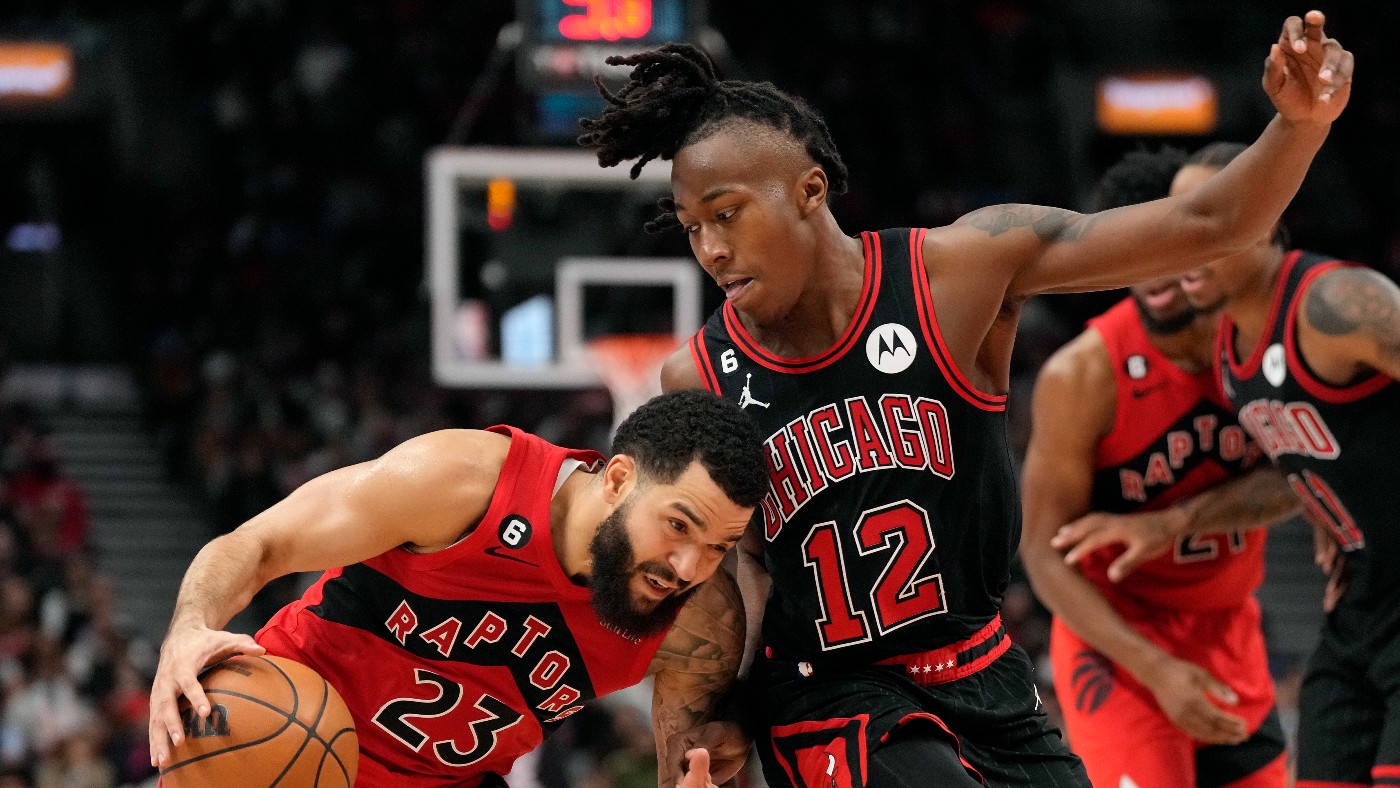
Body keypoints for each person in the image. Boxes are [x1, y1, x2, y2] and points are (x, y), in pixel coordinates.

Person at [578, 11, 1352, 787]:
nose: (711, 249)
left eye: (726, 214)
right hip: (825, 694)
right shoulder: (700, 375)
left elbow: (1209, 222)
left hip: (984, 677)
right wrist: (715, 719)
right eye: (692, 228)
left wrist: (1299, 126)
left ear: (809, 190)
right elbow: (737, 569)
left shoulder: (957, 276)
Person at [146, 389, 770, 788]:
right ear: (618, 481)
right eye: (678, 525)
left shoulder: (696, 623)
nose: (687, 566)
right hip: (277, 736)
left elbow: (685, 768)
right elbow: (257, 545)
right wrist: (189, 628)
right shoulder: (466, 484)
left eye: (718, 546)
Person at [1058, 139, 1400, 788]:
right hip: (1359, 609)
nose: (1190, 240)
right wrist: (1323, 504)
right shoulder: (1226, 347)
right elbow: (1305, 463)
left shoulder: (1334, 303)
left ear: (1266, 220)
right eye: (1185, 221)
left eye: (1213, 217)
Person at [1019, 147, 1288, 788]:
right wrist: (1156, 668)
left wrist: (1172, 523)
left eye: (1170, 238)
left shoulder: (1258, 338)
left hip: (1230, 628)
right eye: (1136, 245)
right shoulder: (1081, 375)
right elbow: (1042, 553)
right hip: (1119, 645)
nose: (1154, 264)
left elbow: (1302, 477)